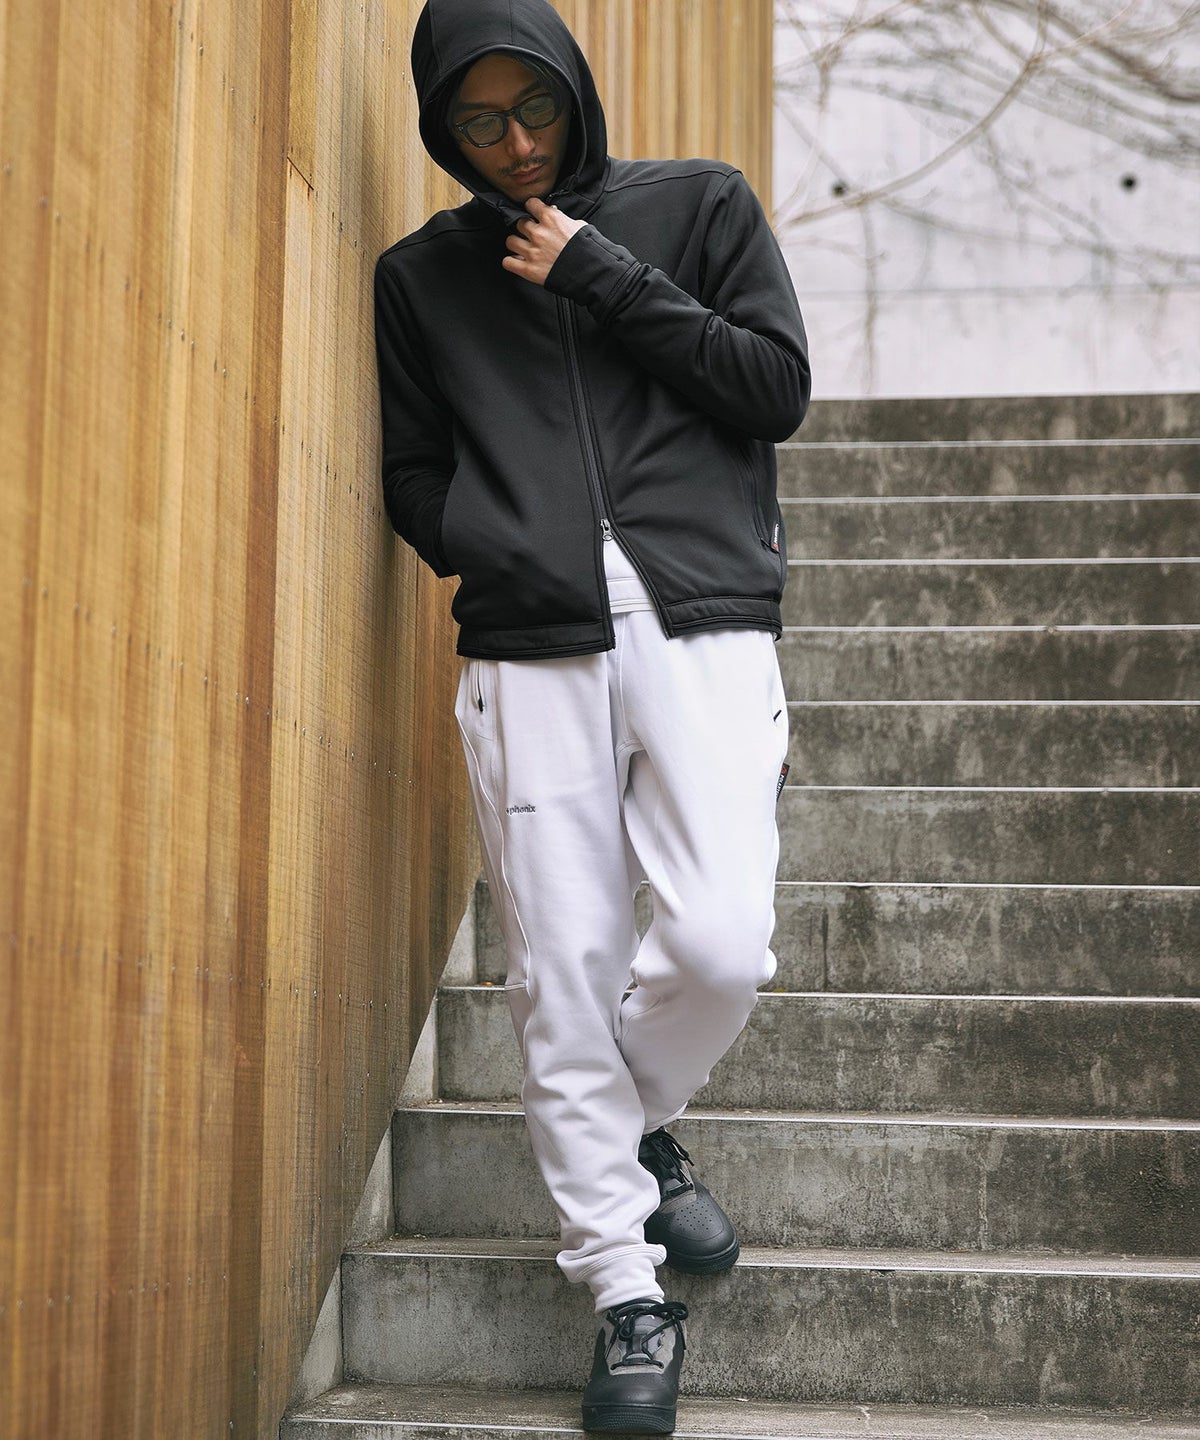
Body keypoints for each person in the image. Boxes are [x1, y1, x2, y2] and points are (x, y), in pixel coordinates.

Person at [374, 0, 809, 1430]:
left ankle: (637, 1122)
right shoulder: (421, 278)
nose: (514, 145)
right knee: (563, 968)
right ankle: (626, 1290)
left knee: (721, 941)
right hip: (528, 646)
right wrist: (492, 544)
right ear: (444, 128)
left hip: (703, 620)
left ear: (576, 92)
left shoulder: (699, 207)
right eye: (479, 122)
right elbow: (413, 475)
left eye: (536, 110)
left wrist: (604, 275)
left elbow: (774, 388)